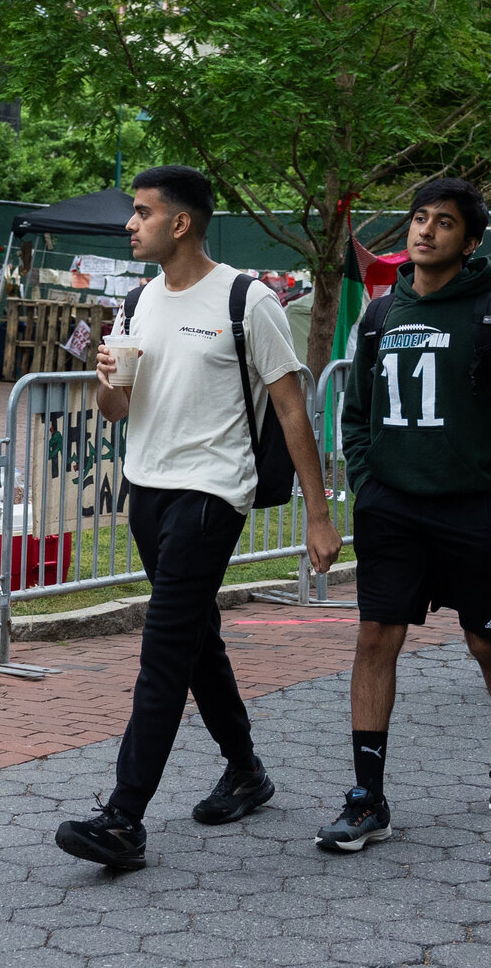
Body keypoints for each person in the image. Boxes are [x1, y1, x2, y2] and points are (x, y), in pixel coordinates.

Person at [53, 166, 342, 873]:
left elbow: (290, 408)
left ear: (180, 224)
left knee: (163, 649)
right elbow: (118, 411)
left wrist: (319, 514)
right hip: (146, 490)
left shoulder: (248, 300)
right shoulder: (136, 301)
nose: (130, 223)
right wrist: (103, 382)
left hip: (213, 493)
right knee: (195, 638)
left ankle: (123, 818)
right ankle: (246, 770)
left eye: (142, 212)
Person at [320, 178, 491, 854]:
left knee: (485, 642)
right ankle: (368, 798)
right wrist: (367, 482)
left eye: (443, 222)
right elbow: (356, 411)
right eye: (419, 218)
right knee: (374, 640)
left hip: (471, 510)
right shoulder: (380, 313)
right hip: (392, 507)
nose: (425, 231)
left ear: (470, 240)